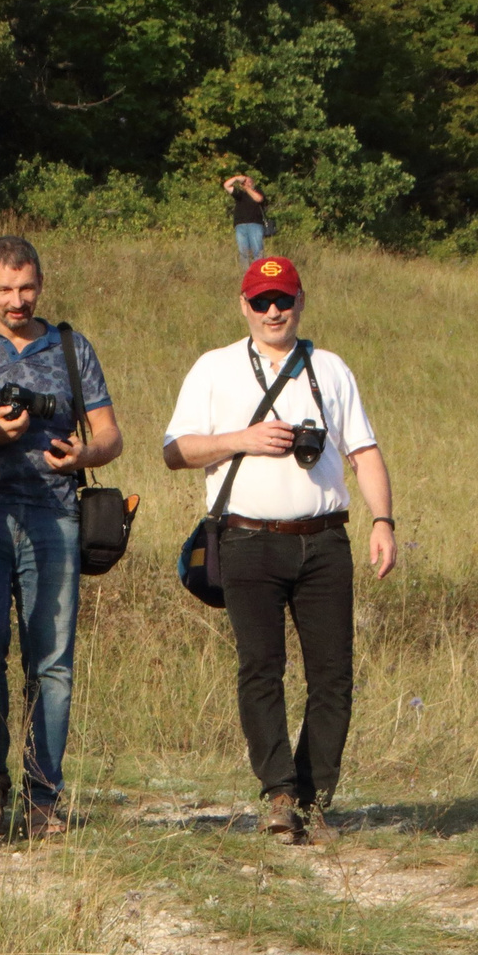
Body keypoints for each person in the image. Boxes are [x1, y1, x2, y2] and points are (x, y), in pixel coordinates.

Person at [161, 256, 395, 844]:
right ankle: (279, 794)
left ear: (300, 303)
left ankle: (316, 803)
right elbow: (174, 449)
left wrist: (383, 522)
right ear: (243, 306)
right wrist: (244, 440)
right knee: (261, 669)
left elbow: (363, 452)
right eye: (261, 301)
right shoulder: (215, 369)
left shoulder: (331, 369)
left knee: (333, 676)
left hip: (323, 540)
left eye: (283, 300)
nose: (273, 312)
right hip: (246, 539)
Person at [0, 235, 122, 837]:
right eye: (5, 289)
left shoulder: (71, 345)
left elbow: (111, 436)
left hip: (54, 514)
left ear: (39, 285)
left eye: (27, 288)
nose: (17, 300)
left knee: (53, 662)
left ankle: (44, 797)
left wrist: (82, 453)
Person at [224, 174, 268, 263]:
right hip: (240, 225)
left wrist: (247, 188)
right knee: (243, 253)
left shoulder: (258, 191)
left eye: (248, 181)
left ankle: (259, 273)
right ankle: (245, 274)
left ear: (252, 182)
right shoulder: (239, 194)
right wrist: (236, 178)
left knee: (257, 251)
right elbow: (226, 185)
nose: (246, 183)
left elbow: (258, 199)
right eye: (244, 182)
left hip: (255, 224)